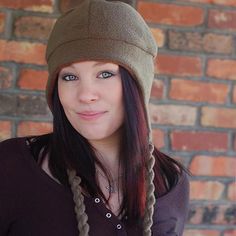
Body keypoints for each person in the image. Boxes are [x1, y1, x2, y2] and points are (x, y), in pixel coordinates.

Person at [0, 0, 189, 235]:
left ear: (138, 84)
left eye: (105, 73)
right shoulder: (11, 167)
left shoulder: (171, 181)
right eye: (69, 77)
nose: (86, 94)